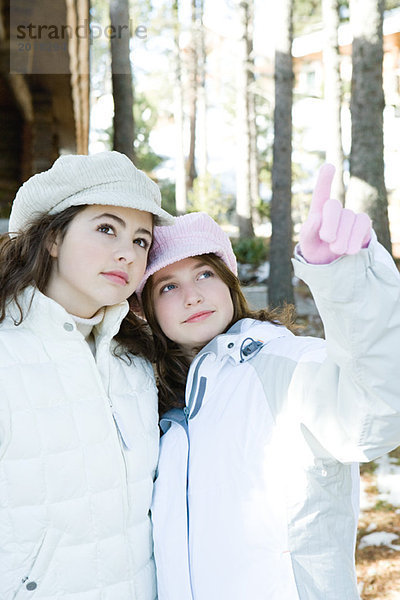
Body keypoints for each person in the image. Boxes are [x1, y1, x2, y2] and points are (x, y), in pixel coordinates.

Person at [136, 164, 400, 600]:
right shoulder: (158, 403)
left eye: (205, 274)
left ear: (229, 283)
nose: (193, 295)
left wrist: (348, 280)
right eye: (167, 286)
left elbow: (373, 411)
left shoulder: (280, 364)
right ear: (147, 309)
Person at [0, 151, 174, 600]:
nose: (126, 253)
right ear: (53, 238)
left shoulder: (135, 360)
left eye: (140, 240)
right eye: (106, 228)